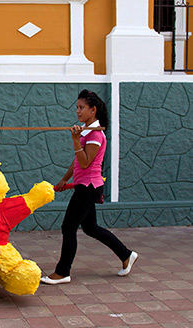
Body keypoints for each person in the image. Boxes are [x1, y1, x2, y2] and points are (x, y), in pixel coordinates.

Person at [41, 90, 138, 285]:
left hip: (88, 187)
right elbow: (77, 160)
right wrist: (64, 179)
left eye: (82, 107)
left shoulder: (95, 135)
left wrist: (75, 139)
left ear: (93, 110)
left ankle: (63, 272)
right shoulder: (87, 130)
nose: (78, 111)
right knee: (90, 228)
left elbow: (85, 163)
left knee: (68, 227)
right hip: (84, 185)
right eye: (77, 107)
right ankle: (126, 254)